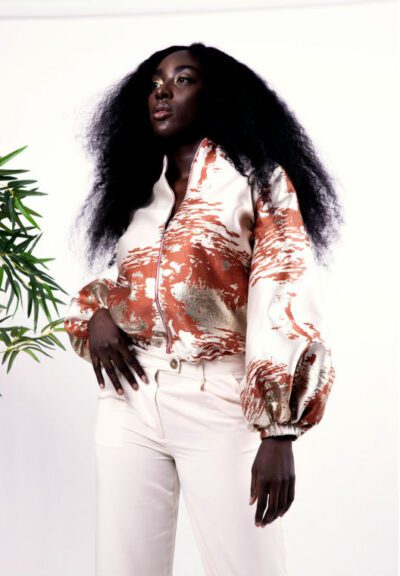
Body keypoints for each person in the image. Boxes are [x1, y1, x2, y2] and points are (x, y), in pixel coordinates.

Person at [65, 42, 343, 576]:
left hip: (218, 398)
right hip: (129, 400)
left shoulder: (258, 181)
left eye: (183, 79)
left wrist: (279, 431)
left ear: (216, 95)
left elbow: (283, 293)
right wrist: (96, 316)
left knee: (249, 567)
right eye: (154, 83)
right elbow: (129, 282)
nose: (162, 93)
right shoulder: (139, 189)